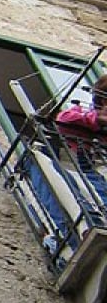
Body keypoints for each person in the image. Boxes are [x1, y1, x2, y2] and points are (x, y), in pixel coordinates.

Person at [54, 74, 107, 219]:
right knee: (96, 191)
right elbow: (63, 119)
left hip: (99, 165)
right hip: (82, 163)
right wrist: (96, 119)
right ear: (103, 100)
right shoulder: (81, 111)